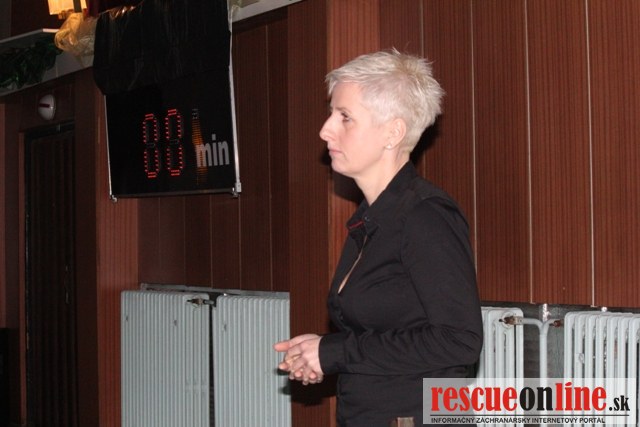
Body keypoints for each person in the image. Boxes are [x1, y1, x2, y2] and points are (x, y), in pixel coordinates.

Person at [274, 49, 483, 426]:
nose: (325, 129)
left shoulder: (425, 215)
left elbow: (459, 340)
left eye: (345, 117)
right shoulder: (373, 218)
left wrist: (335, 352)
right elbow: (386, 331)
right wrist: (320, 352)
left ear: (393, 133)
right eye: (332, 113)